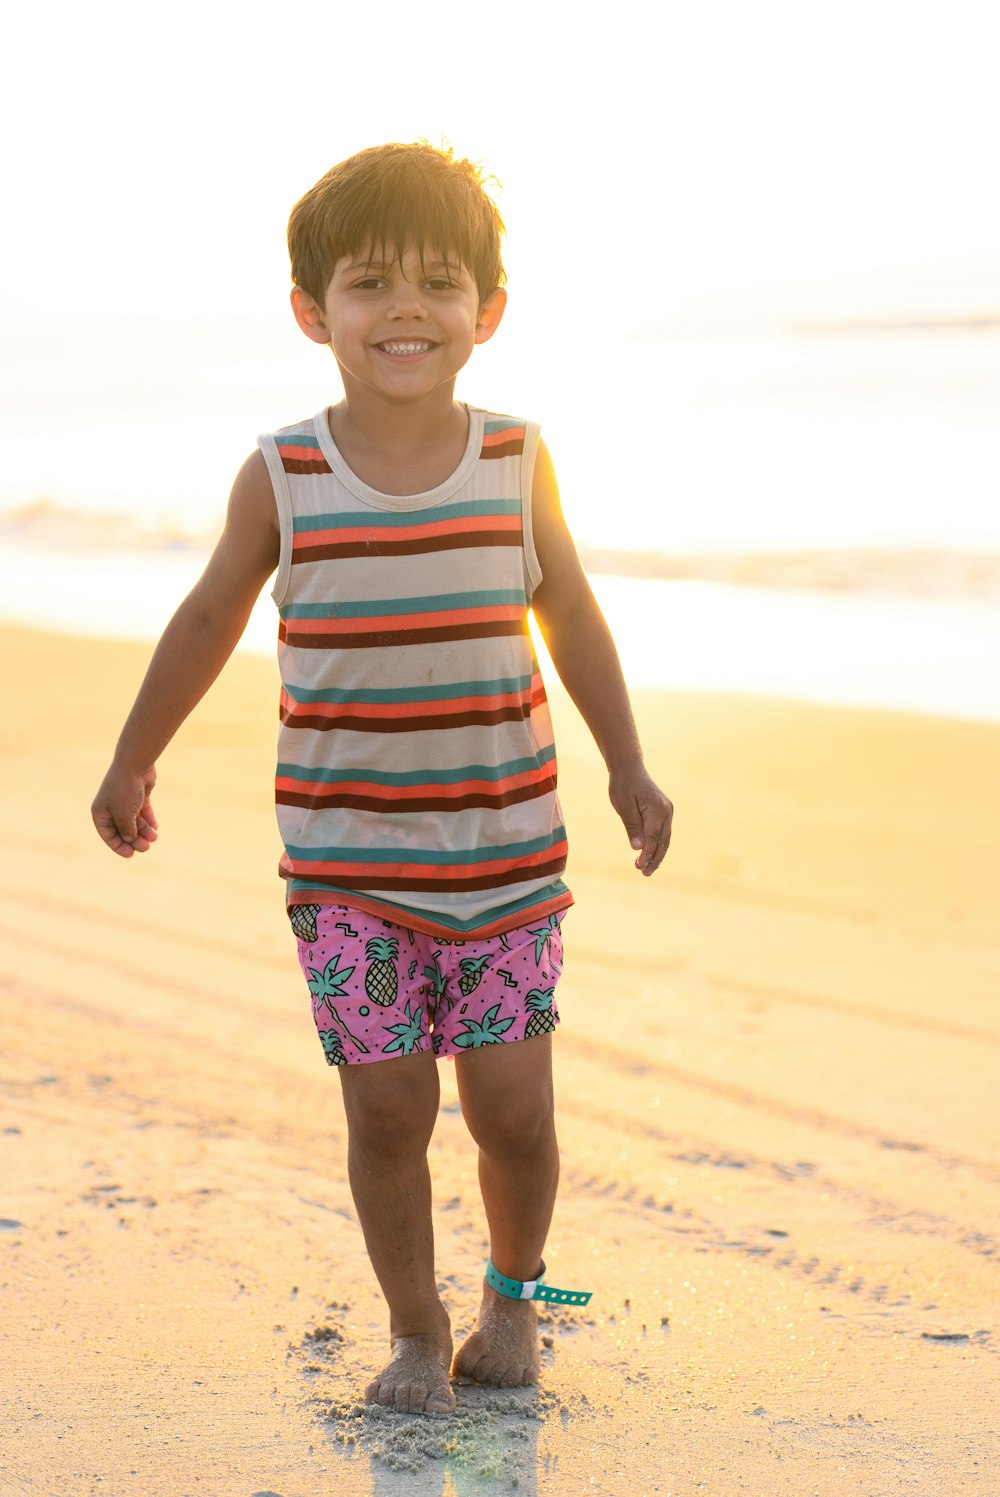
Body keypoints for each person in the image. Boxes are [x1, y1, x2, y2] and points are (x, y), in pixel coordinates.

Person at [92, 142, 673, 1417]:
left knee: (511, 1111)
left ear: (488, 312)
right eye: (369, 284)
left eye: (438, 284)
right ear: (313, 312)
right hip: (349, 866)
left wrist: (626, 762)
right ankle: (415, 1327)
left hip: (508, 857)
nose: (406, 310)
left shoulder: (519, 460)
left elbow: (570, 614)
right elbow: (204, 621)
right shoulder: (284, 476)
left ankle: (514, 1295)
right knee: (389, 1112)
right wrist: (135, 757)